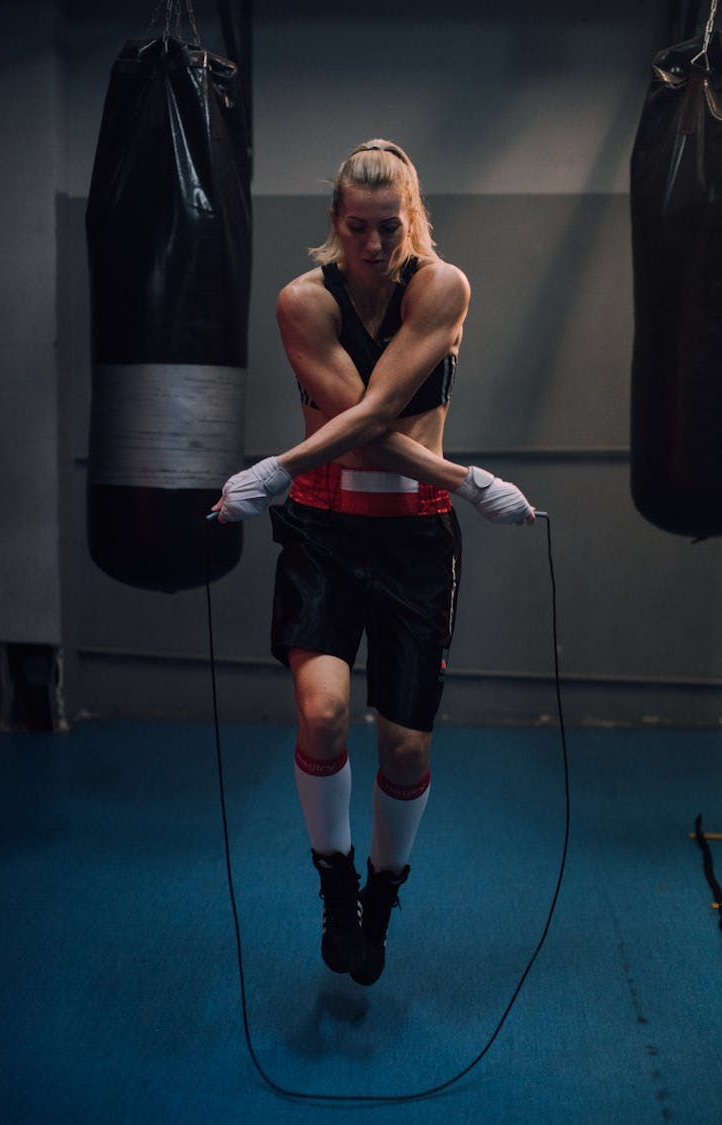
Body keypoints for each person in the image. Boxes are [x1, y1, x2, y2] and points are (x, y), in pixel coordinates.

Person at [211, 139, 535, 986]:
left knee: (404, 748)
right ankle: (336, 884)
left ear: (411, 219)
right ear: (334, 224)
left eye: (390, 227)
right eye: (358, 227)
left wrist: (278, 463)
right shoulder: (302, 303)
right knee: (320, 716)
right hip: (323, 530)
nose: (374, 243)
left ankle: (386, 893)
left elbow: (380, 410)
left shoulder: (442, 287)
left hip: (416, 540)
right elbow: (357, 422)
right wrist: (471, 478)